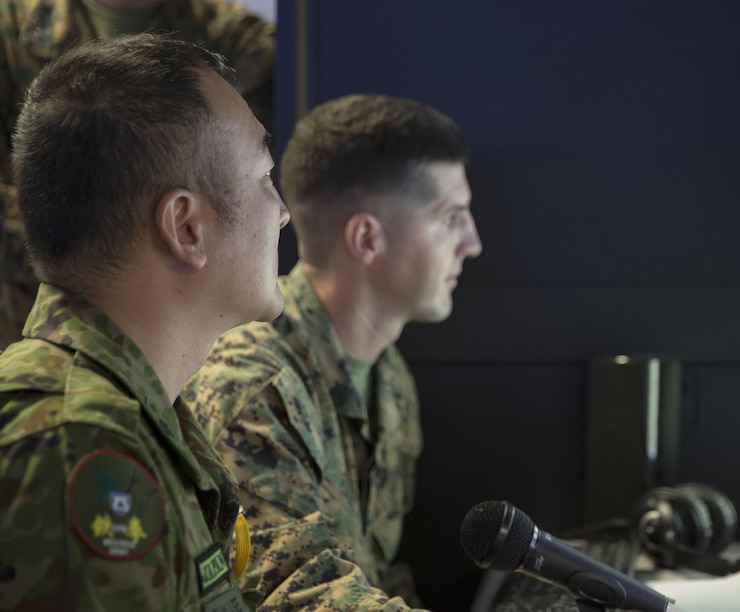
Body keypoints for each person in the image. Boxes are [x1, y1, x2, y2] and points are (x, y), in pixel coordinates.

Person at [0, 33, 289, 609]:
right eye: (264, 177)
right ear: (186, 227)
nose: (282, 212)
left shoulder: (133, 413)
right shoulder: (75, 444)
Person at [183, 93, 483, 609]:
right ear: (367, 238)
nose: (471, 242)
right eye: (450, 217)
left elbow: (378, 573)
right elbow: (301, 592)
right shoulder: (253, 382)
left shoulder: (389, 379)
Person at [0, 0, 275, 349]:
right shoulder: (10, 26)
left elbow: (244, 199)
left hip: (184, 354)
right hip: (27, 335)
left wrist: (51, 201)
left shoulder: (240, 39)